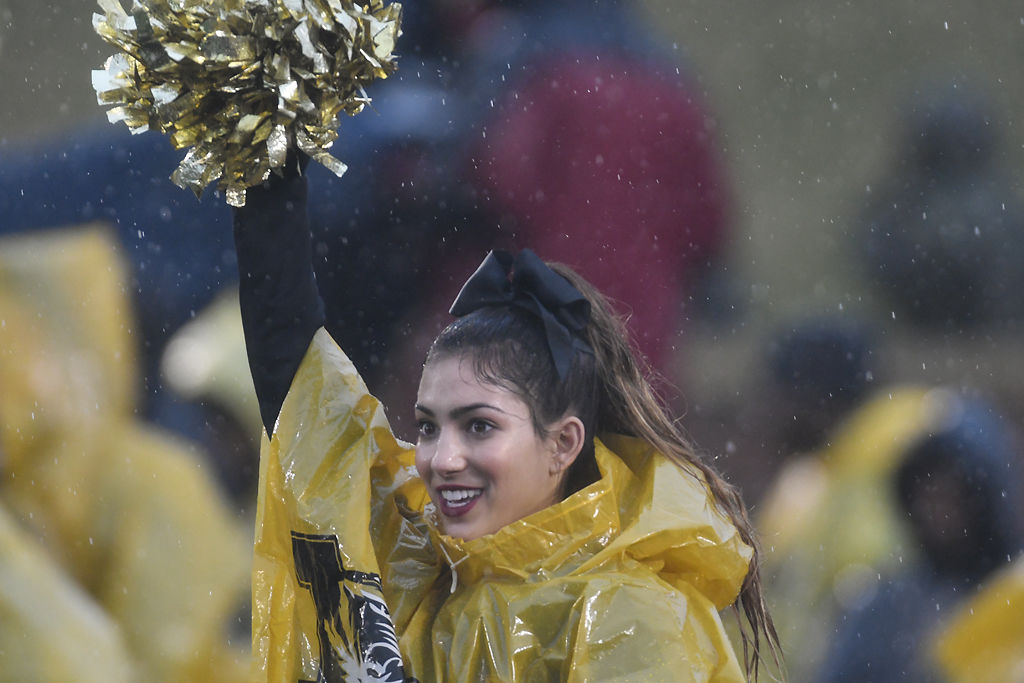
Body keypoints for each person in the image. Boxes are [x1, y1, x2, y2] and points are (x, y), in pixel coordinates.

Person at [235, 155, 779, 681]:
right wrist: (266, 166)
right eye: (428, 427)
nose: (443, 459)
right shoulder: (423, 564)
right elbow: (307, 410)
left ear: (563, 444)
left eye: (479, 426)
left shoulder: (628, 616)